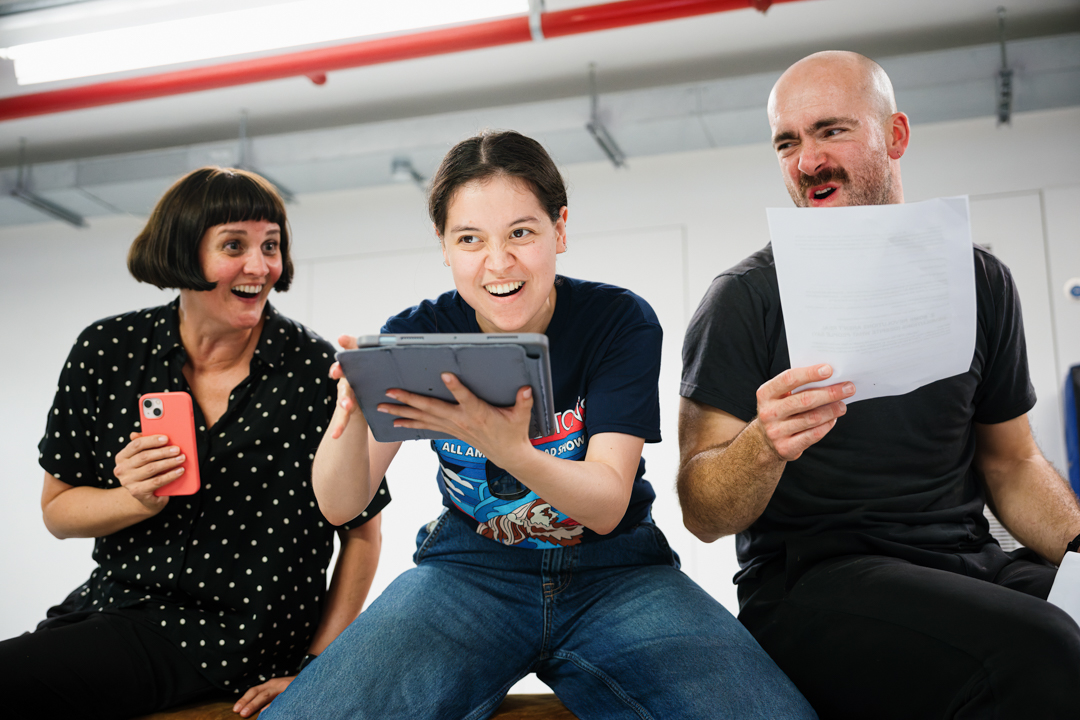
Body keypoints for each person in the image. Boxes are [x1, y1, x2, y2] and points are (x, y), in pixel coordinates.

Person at [261, 130, 816, 719]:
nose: (498, 263)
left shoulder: (617, 321)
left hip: (616, 573)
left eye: (521, 233)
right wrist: (349, 414)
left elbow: (604, 503)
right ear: (444, 246)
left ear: (560, 229)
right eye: (469, 239)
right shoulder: (414, 335)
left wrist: (509, 448)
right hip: (468, 572)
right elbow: (340, 504)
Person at [678, 50, 1080, 719]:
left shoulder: (980, 280)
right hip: (812, 583)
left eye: (830, 131)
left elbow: (1011, 462)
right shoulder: (744, 298)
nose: (807, 162)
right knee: (1042, 650)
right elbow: (702, 510)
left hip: (966, 562)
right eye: (788, 142)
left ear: (895, 136)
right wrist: (764, 444)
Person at [0, 167, 389, 720]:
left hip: (240, 639)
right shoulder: (108, 350)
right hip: (113, 612)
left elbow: (363, 536)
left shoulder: (314, 371)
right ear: (183, 253)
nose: (260, 267)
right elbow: (59, 512)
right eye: (234, 245)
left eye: (271, 245)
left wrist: (318, 666)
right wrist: (134, 498)